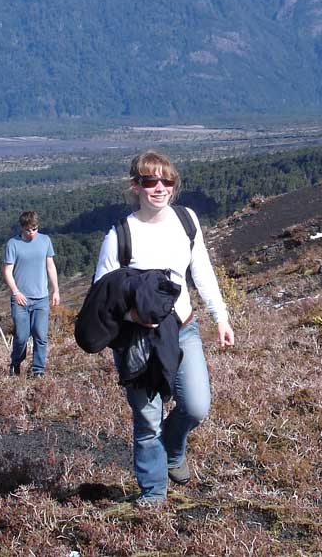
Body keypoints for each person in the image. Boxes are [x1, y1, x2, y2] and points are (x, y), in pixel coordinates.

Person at [94, 151, 235, 505]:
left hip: (184, 329)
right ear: (135, 186)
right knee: (147, 421)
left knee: (196, 407)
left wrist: (221, 317)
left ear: (174, 185)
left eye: (166, 181)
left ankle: (174, 449)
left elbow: (201, 269)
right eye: (149, 181)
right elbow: (102, 293)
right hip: (139, 340)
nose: (159, 188)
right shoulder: (120, 235)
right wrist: (133, 318)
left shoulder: (186, 220)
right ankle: (153, 495)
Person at [2, 210, 60, 376]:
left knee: (41, 336)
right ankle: (16, 364)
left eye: (34, 229)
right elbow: (7, 271)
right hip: (21, 299)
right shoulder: (13, 244)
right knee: (21, 337)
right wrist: (16, 292)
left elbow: (50, 266)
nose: (32, 233)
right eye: (28, 229)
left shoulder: (45, 241)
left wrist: (55, 290)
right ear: (22, 228)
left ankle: (38, 371)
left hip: (41, 298)